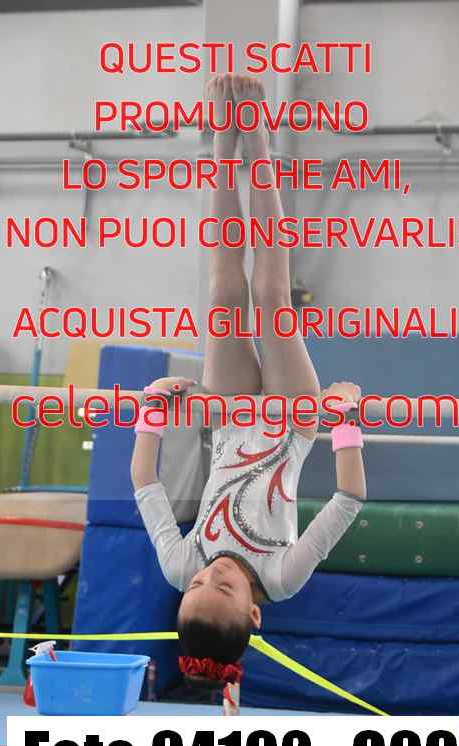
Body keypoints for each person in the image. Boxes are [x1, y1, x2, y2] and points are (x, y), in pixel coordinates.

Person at [131, 74, 366, 688]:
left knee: (224, 290)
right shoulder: (284, 577)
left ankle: (222, 142)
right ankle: (256, 136)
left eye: (198, 585)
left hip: (233, 416)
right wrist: (345, 420)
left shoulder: (180, 563)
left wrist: (151, 413)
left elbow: (144, 483)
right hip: (292, 423)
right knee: (269, 293)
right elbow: (348, 499)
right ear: (254, 613)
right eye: (225, 588)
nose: (211, 574)